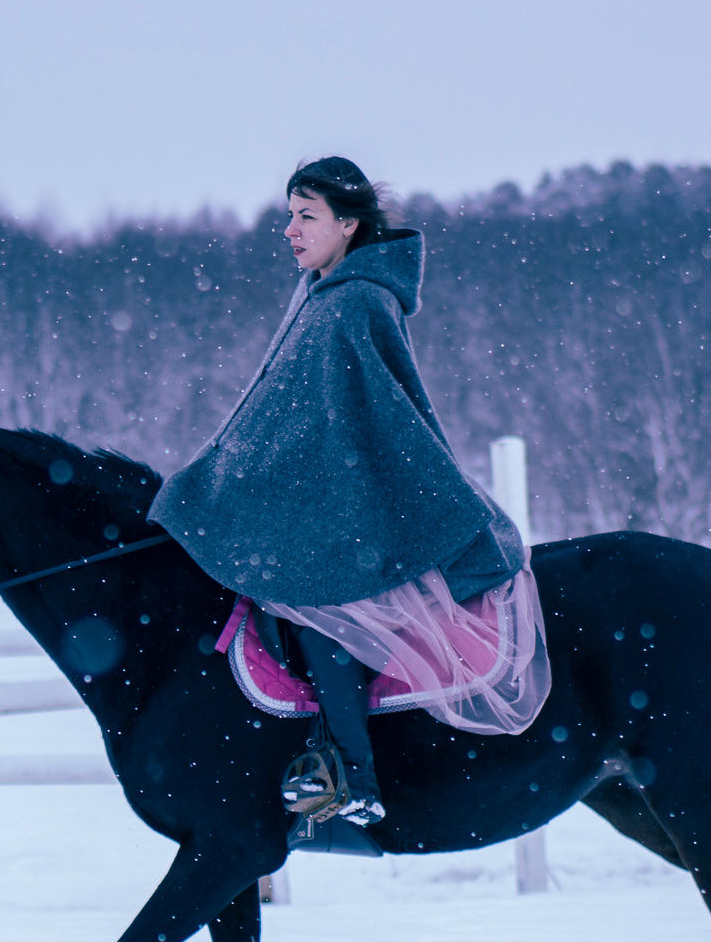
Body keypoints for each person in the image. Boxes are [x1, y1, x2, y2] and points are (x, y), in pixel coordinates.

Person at [152, 156, 550, 827]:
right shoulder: (318, 295)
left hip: (358, 516)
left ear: (348, 223)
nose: (290, 230)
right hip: (329, 508)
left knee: (319, 608)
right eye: (289, 215)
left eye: (306, 216)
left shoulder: (357, 302)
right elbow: (281, 413)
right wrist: (229, 475)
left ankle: (355, 776)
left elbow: (378, 419)